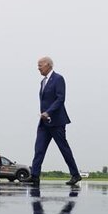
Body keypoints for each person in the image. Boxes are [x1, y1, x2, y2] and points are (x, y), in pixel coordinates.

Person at [30, 56, 81, 186]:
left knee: (63, 148)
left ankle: (75, 174)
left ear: (48, 65)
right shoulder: (42, 82)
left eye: (40, 65)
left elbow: (60, 98)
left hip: (56, 121)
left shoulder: (58, 79)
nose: (38, 68)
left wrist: (49, 112)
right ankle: (35, 175)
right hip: (44, 122)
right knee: (39, 149)